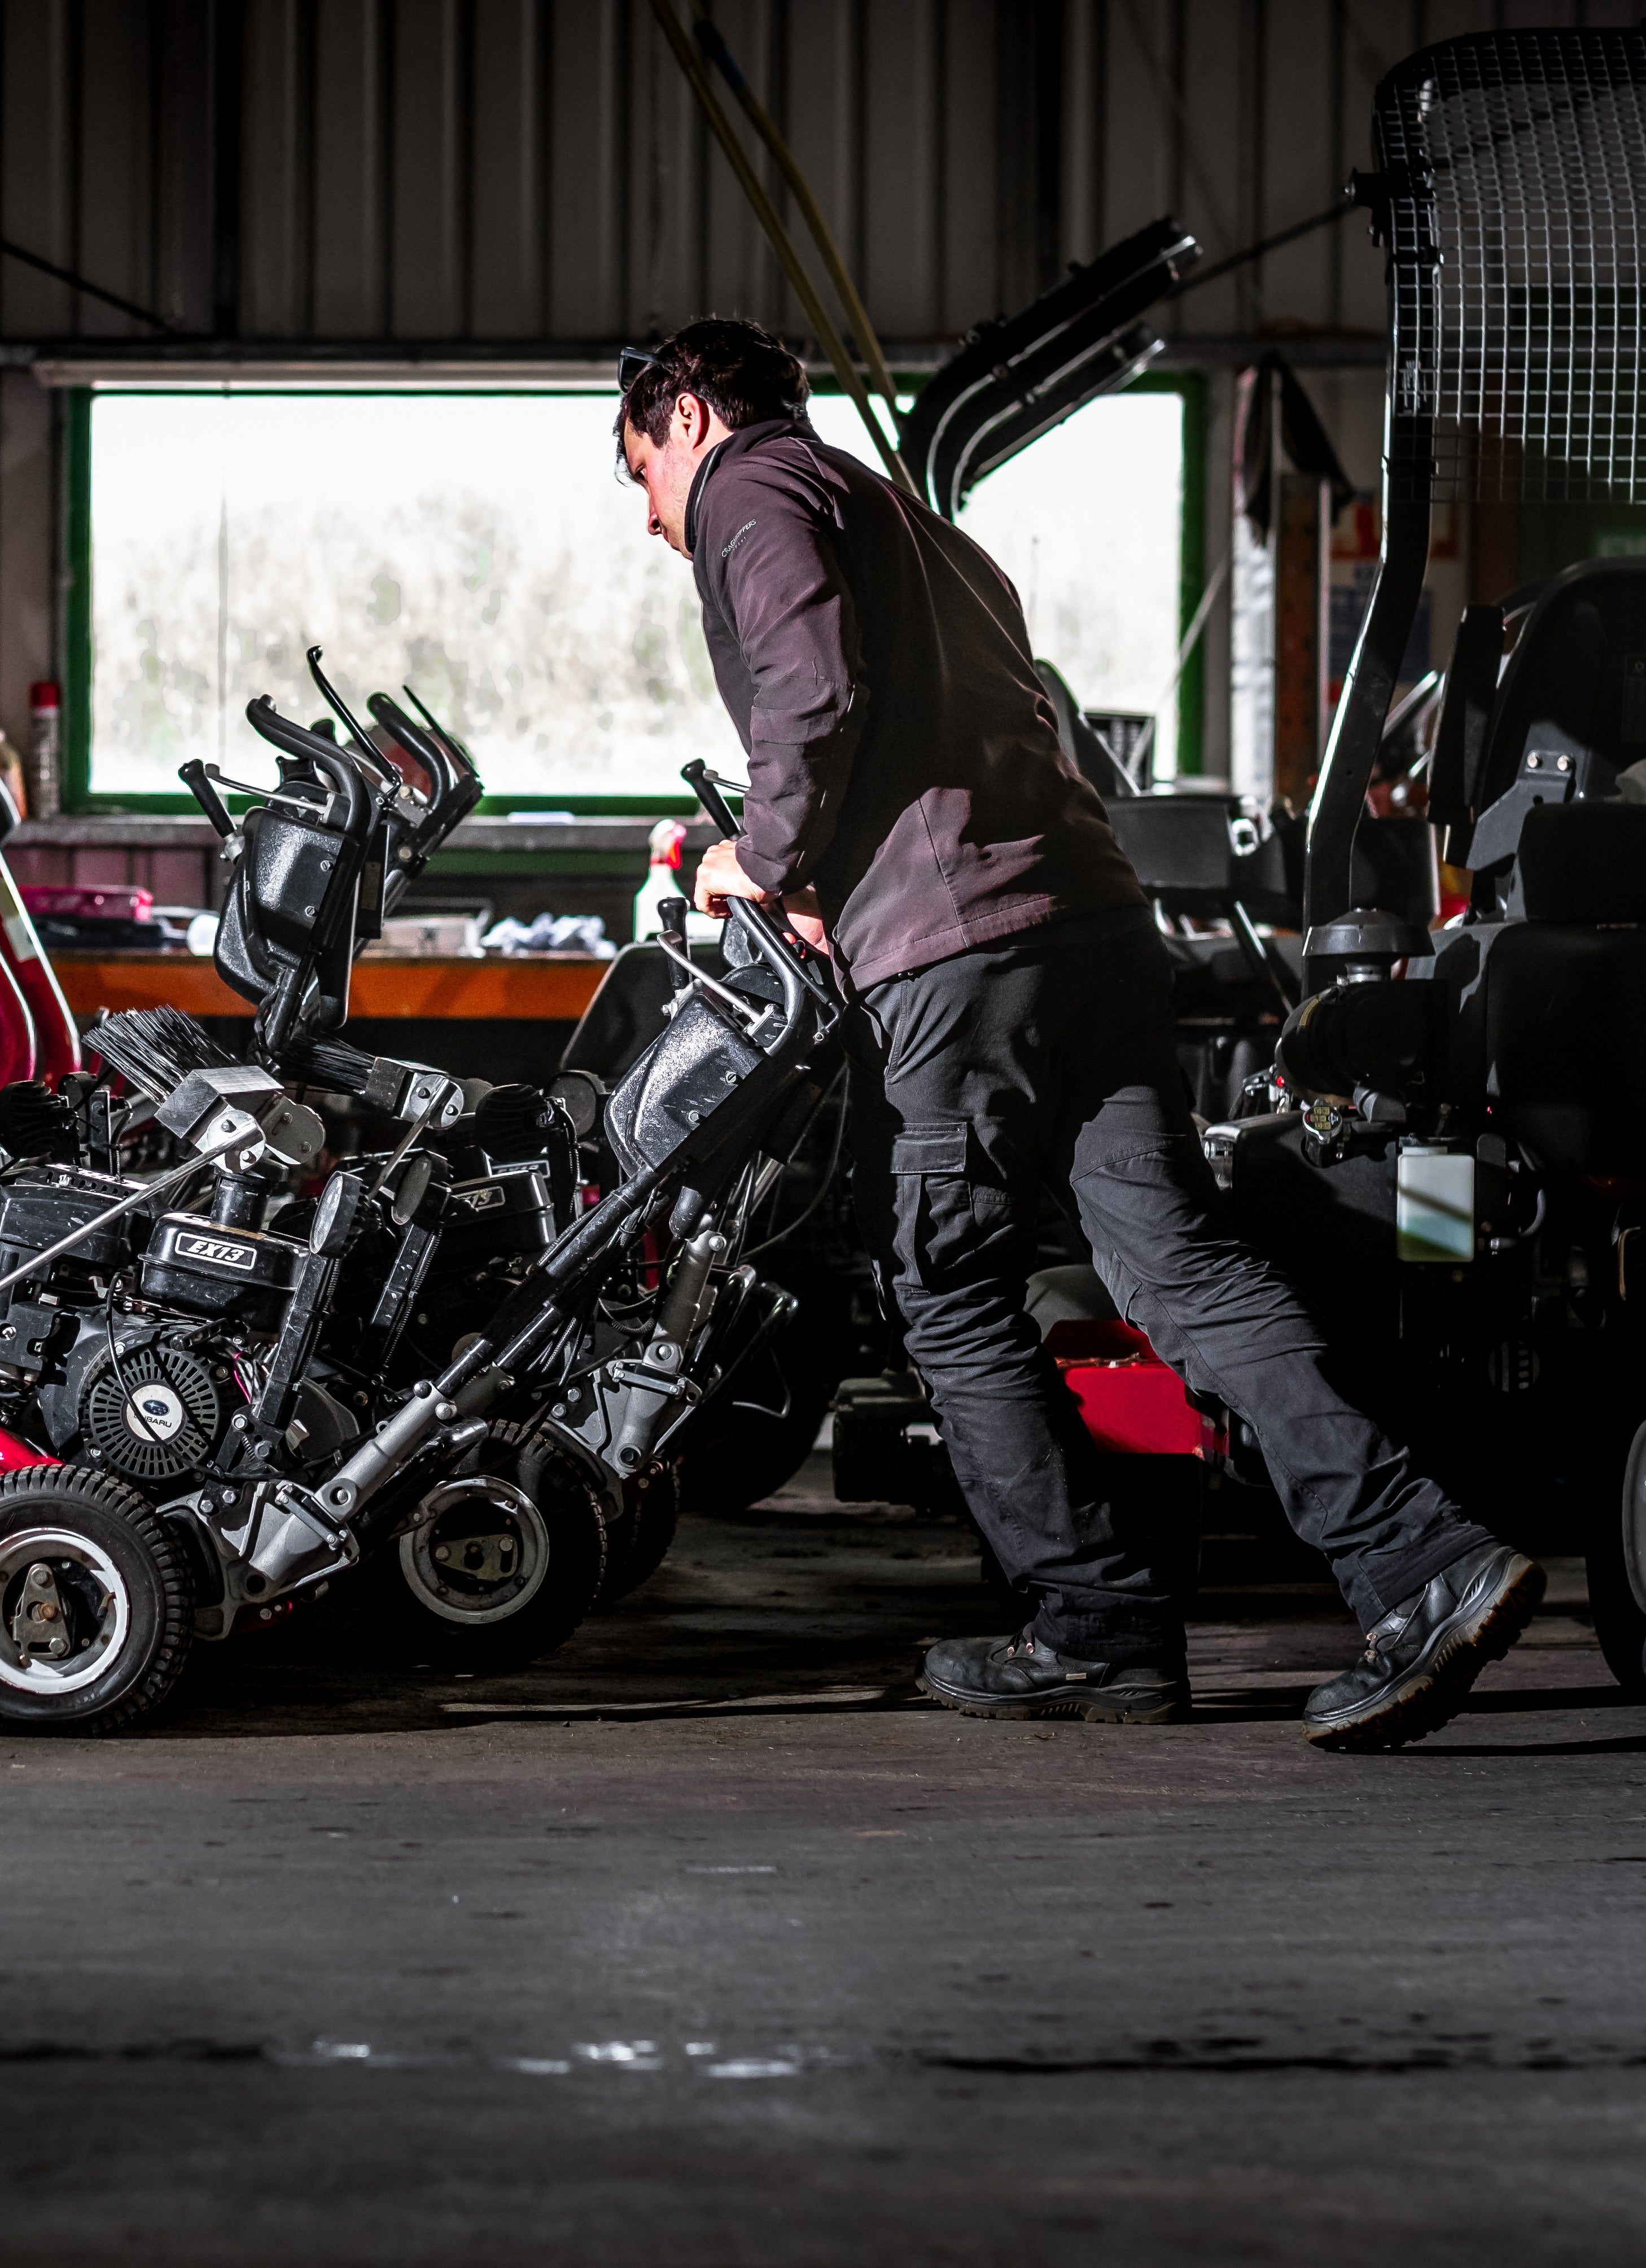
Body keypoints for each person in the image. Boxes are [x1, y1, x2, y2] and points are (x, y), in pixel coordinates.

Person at [614, 315, 1539, 1751]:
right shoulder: (916, 523)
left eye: (640, 480)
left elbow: (812, 694)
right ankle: (1426, 1562)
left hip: (958, 956)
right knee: (1183, 1263)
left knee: (942, 1282)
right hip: (1089, 925)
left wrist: (768, 858)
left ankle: (1094, 1628)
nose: (656, 523)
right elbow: (985, 722)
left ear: (681, 414)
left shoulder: (752, 485)